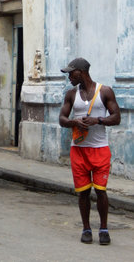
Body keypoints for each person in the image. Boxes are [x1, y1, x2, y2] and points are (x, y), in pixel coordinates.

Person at [59, 57, 121, 245]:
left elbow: (117, 117)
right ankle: (86, 228)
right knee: (83, 192)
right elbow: (62, 118)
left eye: (71, 72)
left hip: (100, 149)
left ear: (82, 72)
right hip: (78, 150)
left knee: (101, 191)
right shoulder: (71, 94)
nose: (69, 76)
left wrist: (98, 120)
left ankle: (103, 228)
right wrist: (72, 122)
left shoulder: (105, 91)